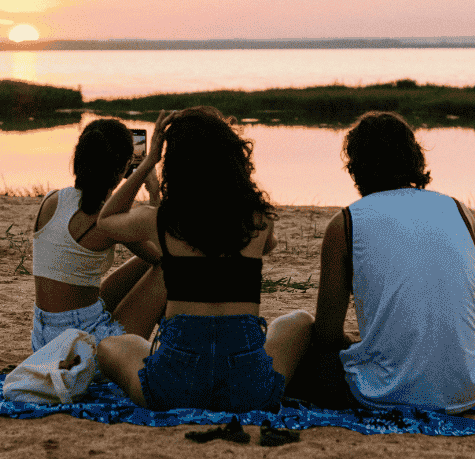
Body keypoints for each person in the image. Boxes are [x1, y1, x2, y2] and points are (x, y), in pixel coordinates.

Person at [96, 108, 313, 412]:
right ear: (233, 157)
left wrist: (147, 162)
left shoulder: (160, 220)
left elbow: (106, 220)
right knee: (299, 321)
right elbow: (268, 246)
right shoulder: (258, 218)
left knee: (109, 346)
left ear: (176, 164)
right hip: (248, 390)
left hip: (172, 388)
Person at [286, 110, 475, 413]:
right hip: (468, 389)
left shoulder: (345, 223)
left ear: (355, 167)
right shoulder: (456, 209)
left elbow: (327, 336)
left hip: (384, 394)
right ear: (415, 158)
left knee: (317, 352)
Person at [30, 119, 167, 354]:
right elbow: (165, 250)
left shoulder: (52, 199)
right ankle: (175, 342)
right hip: (80, 349)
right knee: (172, 267)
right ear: (124, 168)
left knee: (144, 262)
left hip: (42, 340)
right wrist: (154, 190)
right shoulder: (105, 221)